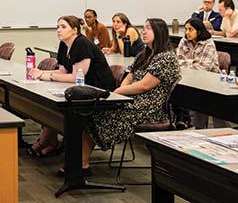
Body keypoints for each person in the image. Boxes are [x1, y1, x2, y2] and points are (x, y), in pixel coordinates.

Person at [79, 19, 180, 175]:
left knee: (98, 115)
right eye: (144, 28)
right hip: (132, 100)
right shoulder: (144, 54)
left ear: (159, 33)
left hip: (150, 107)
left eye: (148, 28)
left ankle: (81, 165)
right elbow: (129, 77)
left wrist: (119, 92)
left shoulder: (166, 58)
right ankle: (81, 163)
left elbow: (144, 85)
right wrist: (121, 91)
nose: (143, 31)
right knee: (90, 112)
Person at [27, 15, 115, 157]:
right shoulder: (64, 44)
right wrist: (41, 72)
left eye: (63, 27)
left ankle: (48, 143)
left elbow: (76, 77)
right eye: (57, 27)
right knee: (49, 104)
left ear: (75, 30)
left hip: (98, 91)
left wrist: (46, 76)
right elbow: (63, 71)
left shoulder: (81, 44)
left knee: (58, 107)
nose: (59, 30)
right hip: (81, 89)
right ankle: (48, 141)